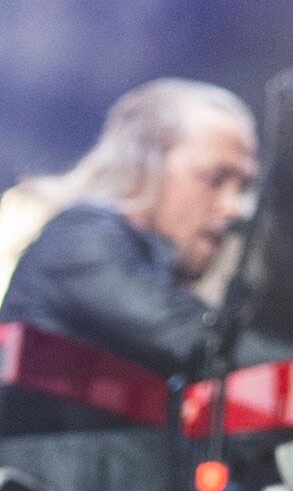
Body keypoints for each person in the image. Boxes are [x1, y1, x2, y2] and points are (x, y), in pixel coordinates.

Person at [0, 80, 256, 376]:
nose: (236, 208)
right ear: (146, 165)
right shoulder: (80, 239)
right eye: (215, 178)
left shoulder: (158, 278)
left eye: (244, 187)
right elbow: (189, 339)